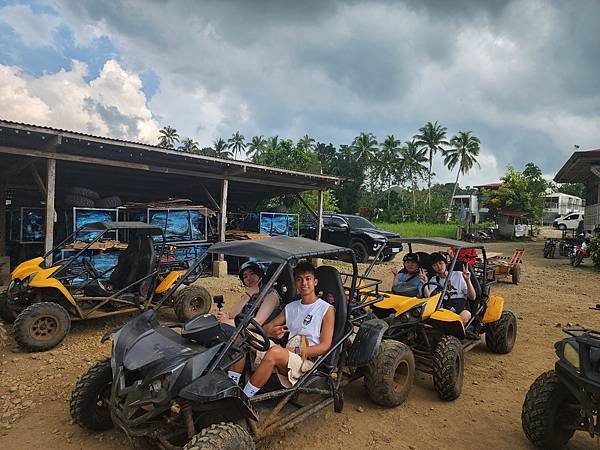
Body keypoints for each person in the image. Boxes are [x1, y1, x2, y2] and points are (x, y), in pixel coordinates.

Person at [235, 261, 335, 398]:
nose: (304, 283)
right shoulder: (291, 307)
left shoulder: (325, 309)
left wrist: (296, 351)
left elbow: (324, 346)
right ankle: (232, 385)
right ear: (295, 284)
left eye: (308, 279)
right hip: (287, 352)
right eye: (299, 280)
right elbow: (267, 328)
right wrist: (271, 332)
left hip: (307, 360)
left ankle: (244, 397)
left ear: (315, 282)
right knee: (242, 336)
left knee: (275, 352)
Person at [216, 261, 280, 329]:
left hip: (261, 335)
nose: (249, 278)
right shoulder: (251, 293)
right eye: (245, 277)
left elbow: (257, 322)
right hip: (245, 332)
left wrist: (227, 322)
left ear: (260, 275)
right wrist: (249, 294)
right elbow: (232, 315)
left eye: (252, 274)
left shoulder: (271, 294)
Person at [419, 252, 476, 325]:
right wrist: (425, 284)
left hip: (460, 306)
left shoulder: (458, 275)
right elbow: (429, 297)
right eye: (435, 265)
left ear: (445, 263)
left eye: (440, 263)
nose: (439, 267)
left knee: (463, 317)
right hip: (443, 306)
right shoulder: (434, 279)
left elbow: (472, 297)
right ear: (432, 268)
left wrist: (467, 280)